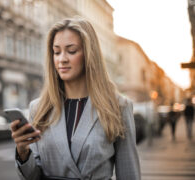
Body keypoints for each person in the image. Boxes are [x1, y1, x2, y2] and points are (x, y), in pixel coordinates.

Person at [10, 17, 141, 180]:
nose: (62, 59)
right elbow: (32, 177)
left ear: (89, 54)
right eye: (56, 52)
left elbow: (129, 173)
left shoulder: (118, 106)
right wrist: (23, 152)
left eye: (71, 51)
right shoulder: (39, 108)